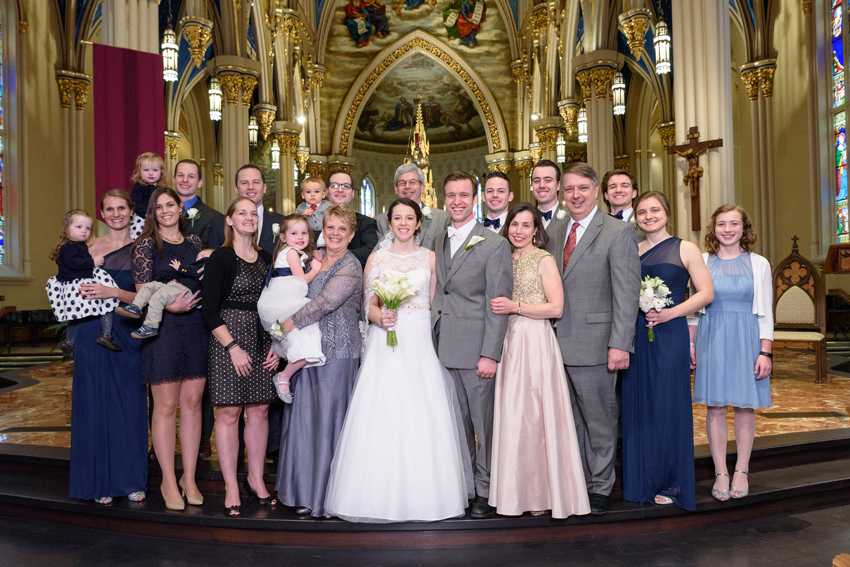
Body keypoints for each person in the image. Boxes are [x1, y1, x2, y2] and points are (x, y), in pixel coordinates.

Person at [325, 198, 474, 522]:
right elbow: (368, 304)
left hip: (420, 340)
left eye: (409, 218)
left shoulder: (431, 258)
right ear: (389, 223)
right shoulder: (377, 258)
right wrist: (381, 317)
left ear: (418, 222)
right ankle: (374, 497)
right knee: (384, 409)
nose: (403, 223)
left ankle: (429, 496)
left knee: (423, 410)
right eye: (397, 218)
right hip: (386, 341)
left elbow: (436, 301)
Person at [544, 162, 641, 516]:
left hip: (597, 342)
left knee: (599, 420)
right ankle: (578, 481)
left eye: (582, 188)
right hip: (554, 344)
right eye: (568, 189)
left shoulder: (617, 232)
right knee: (568, 420)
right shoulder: (554, 230)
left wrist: (620, 344)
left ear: (596, 190)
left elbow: (627, 294)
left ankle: (600, 486)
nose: (575, 195)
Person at [488, 203, 590, 519]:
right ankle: (513, 493)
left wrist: (516, 306)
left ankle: (541, 494)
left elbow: (556, 308)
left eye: (525, 225)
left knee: (536, 417)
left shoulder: (543, 260)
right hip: (507, 342)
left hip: (534, 341)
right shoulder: (501, 258)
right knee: (512, 417)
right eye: (514, 224)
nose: (518, 230)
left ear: (536, 230)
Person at [621, 191, 713, 511]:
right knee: (641, 408)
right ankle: (643, 479)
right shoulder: (631, 250)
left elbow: (706, 293)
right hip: (638, 334)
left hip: (670, 333)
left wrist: (670, 313)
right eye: (642, 211)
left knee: (667, 405)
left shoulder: (685, 248)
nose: (648, 216)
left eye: (655, 210)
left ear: (667, 213)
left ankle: (671, 482)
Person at [432, 171, 513, 519]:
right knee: (456, 425)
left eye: (464, 195)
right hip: (441, 347)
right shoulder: (437, 240)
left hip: (476, 350)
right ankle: (464, 486)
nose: (458, 202)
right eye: (451, 196)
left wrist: (489, 354)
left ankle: (486, 490)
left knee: (485, 428)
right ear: (443, 199)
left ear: (475, 198)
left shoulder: (494, 244)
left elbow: (498, 302)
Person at [275, 204, 364, 518]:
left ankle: (327, 498)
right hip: (306, 351)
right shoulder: (311, 259)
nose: (335, 233)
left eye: (342, 229)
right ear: (322, 229)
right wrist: (281, 337)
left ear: (351, 234)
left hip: (337, 353)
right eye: (330, 227)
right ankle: (302, 492)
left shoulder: (350, 265)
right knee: (306, 423)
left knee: (328, 424)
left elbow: (326, 302)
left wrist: (287, 323)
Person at [203, 197, 281, 517]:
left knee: (260, 410)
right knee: (229, 414)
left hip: (263, 337)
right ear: (230, 220)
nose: (249, 217)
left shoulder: (267, 258)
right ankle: (231, 486)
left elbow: (280, 302)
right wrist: (233, 348)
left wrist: (278, 344)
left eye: (253, 213)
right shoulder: (220, 257)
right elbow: (208, 311)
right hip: (228, 339)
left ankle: (256, 479)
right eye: (242, 213)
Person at [70, 190, 148, 505]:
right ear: (101, 213)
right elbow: (72, 291)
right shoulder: (87, 249)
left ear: (131, 212)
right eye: (109, 209)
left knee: (128, 403)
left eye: (121, 208)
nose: (115, 213)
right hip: (91, 330)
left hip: (126, 331)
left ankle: (130, 479)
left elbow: (145, 298)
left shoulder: (142, 248)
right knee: (93, 403)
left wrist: (110, 291)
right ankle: (97, 481)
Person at [131, 187, 206, 511]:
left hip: (196, 328)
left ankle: (189, 477)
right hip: (163, 329)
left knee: (192, 403)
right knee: (165, 407)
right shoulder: (147, 245)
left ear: (180, 208)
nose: (165, 210)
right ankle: (166, 478)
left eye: (170, 204)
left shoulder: (194, 244)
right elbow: (140, 290)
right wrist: (171, 307)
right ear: (152, 213)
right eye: (158, 207)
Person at [691, 204, 773, 502]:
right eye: (722, 224)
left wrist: (766, 352)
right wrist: (690, 344)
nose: (727, 229)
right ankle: (720, 471)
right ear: (713, 229)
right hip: (711, 335)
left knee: (744, 406)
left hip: (747, 336)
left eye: (734, 224)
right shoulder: (701, 260)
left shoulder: (759, 263)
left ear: (744, 228)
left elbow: (766, 312)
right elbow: (694, 309)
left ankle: (741, 469)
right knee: (714, 406)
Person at [257, 214, 325, 403]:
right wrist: (316, 269)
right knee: (309, 336)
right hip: (286, 299)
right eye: (294, 233)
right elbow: (301, 280)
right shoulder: (291, 252)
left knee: (299, 338)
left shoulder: (292, 252)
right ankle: (284, 375)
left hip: (280, 300)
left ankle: (280, 351)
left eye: (304, 233)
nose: (300, 237)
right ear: (283, 237)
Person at [47, 210, 121, 356]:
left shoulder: (79, 245)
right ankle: (105, 335)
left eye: (87, 228)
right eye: (79, 227)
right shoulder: (70, 246)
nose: (84, 231)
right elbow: (72, 262)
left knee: (76, 316)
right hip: (77, 286)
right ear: (67, 228)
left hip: (79, 283)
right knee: (107, 304)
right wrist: (92, 261)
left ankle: (69, 341)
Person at [116, 248, 213, 338]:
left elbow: (195, 272)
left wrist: (180, 267)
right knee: (150, 286)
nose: (198, 258)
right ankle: (136, 307)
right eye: (198, 256)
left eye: (202, 256)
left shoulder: (207, 265)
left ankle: (151, 326)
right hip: (175, 286)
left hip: (185, 291)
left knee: (159, 296)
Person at [208, 165, 284, 254]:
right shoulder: (218, 224)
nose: (250, 187)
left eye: (256, 182)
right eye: (244, 183)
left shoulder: (282, 222)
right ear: (236, 189)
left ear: (264, 188)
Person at [375, 163, 450, 250]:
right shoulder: (380, 222)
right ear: (396, 188)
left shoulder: (443, 219)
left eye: (412, 182)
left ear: (422, 187)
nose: (407, 186)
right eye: (402, 183)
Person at [326, 169, 379, 268]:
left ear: (353, 193)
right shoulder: (312, 221)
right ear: (326, 191)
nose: (340, 190)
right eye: (335, 185)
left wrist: (333, 256)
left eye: (346, 186)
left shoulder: (366, 223)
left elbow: (370, 252)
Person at [174, 159, 224, 247]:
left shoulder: (215, 219)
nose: (185, 180)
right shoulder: (161, 212)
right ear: (174, 179)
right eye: (180, 175)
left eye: (191, 176)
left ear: (200, 183)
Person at [129, 152, 169, 239]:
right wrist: (147, 214)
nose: (151, 173)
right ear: (139, 172)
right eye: (146, 170)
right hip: (142, 218)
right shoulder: (139, 186)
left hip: (158, 219)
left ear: (161, 172)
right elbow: (136, 203)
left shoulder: (161, 189)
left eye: (155, 170)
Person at [601, 169, 644, 243]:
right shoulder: (597, 224)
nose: (618, 190)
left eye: (624, 186)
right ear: (606, 195)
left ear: (634, 193)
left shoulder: (644, 221)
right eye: (613, 187)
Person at [532, 160, 567, 230]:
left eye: (548, 180)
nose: (542, 185)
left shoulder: (571, 217)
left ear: (558, 185)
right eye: (537, 181)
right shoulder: (526, 218)